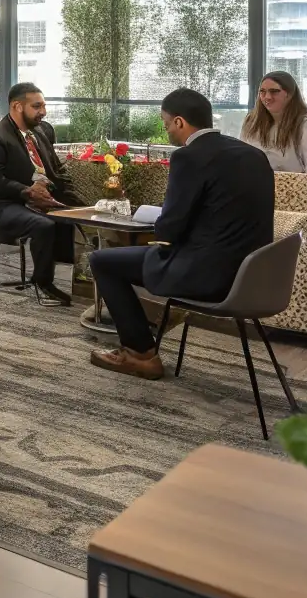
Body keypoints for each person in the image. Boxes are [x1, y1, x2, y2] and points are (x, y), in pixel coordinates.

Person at [89, 88, 274, 380]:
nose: (166, 132)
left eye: (165, 125)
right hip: (252, 277)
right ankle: (148, 331)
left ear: (179, 122)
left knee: (102, 261)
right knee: (133, 258)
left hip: (207, 276)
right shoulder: (253, 155)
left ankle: (139, 354)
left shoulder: (189, 157)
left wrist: (160, 220)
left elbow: (170, 229)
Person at [0, 82, 79, 306]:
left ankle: (90, 283)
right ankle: (42, 283)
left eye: (44, 106)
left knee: (85, 217)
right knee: (44, 225)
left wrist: (76, 199)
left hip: (45, 198)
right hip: (6, 205)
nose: (43, 112)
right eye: (37, 106)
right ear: (17, 106)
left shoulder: (40, 132)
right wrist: (27, 192)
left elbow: (57, 169)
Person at [240, 70, 307, 174]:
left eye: (274, 91)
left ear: (290, 94)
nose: (267, 97)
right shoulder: (251, 124)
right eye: (262, 91)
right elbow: (242, 163)